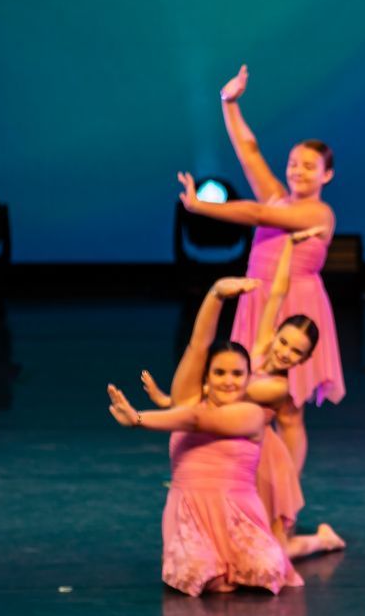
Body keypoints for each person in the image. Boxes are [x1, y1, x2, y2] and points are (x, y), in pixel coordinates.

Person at [141, 229, 345, 560]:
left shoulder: (279, 387)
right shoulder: (262, 346)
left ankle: (323, 540)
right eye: (284, 342)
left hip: (264, 458)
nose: (285, 353)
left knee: (275, 549)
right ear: (275, 333)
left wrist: (169, 403)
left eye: (296, 353)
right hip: (233, 449)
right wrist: (289, 249)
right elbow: (277, 295)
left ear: (305, 361)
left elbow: (224, 398)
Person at [106, 278, 301, 596]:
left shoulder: (250, 414)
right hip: (191, 512)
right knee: (206, 578)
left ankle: (319, 540)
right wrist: (215, 296)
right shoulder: (187, 398)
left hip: (239, 516)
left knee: (265, 570)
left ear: (248, 377)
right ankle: (312, 541)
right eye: (219, 373)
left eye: (237, 374)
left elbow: (199, 420)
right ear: (206, 377)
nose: (228, 381)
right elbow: (198, 346)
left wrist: (140, 419)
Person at [177, 63, 344, 408]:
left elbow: (257, 214)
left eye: (309, 167)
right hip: (258, 296)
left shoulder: (319, 214)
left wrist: (199, 206)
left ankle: (287, 465)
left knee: (287, 408)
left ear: (327, 175)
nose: (298, 171)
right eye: (294, 163)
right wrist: (229, 102)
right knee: (249, 395)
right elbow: (249, 152)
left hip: (294, 301)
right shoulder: (278, 197)